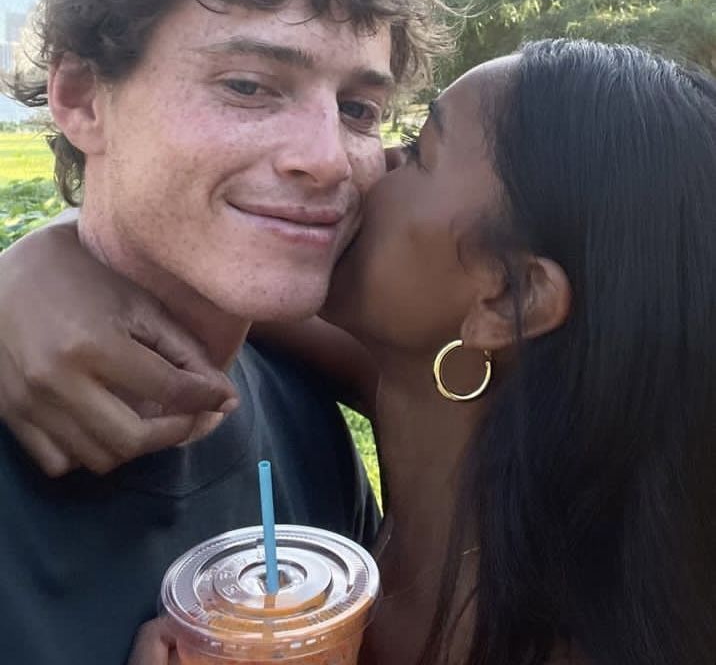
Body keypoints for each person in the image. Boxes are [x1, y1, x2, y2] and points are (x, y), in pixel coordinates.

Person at [3, 39, 715, 665]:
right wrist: (46, 254)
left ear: (508, 299)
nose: (359, 166)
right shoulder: (443, 396)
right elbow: (199, 252)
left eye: (422, 153)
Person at [0, 0, 442, 665]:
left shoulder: (305, 417)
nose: (328, 159)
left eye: (358, 109)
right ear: (81, 98)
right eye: (247, 85)